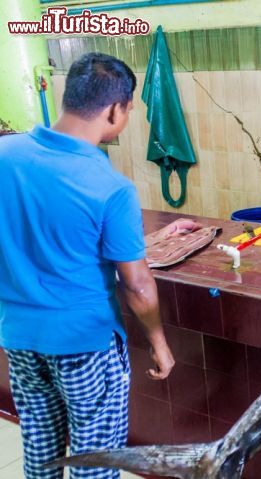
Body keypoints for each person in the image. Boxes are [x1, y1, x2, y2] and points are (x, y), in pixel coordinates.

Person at [0, 52, 175, 479]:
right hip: (85, 345)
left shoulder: (5, 154)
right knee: (94, 460)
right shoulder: (111, 188)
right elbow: (136, 285)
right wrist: (157, 340)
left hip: (19, 339)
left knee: (41, 451)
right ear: (116, 110)